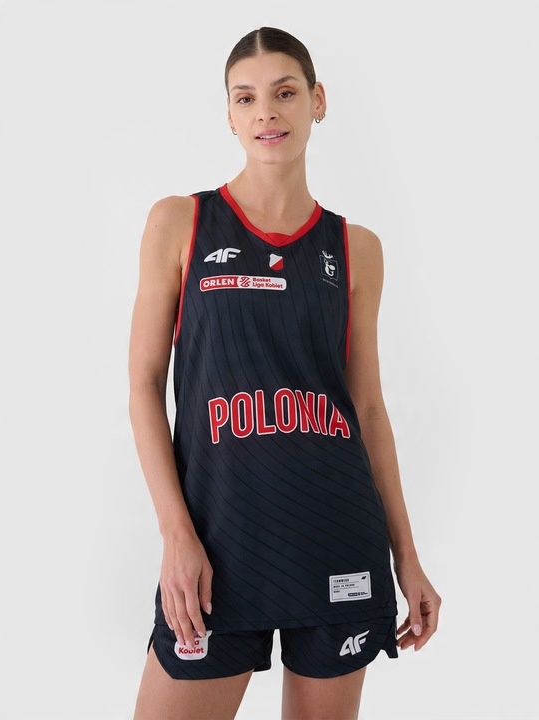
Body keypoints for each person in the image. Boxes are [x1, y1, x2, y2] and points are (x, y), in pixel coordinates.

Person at [128, 26, 441, 720]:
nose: (266, 112)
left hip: (336, 535)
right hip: (218, 545)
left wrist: (407, 557)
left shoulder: (356, 248)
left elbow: (367, 409)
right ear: (229, 115)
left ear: (317, 101)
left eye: (285, 92)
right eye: (246, 97)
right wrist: (176, 535)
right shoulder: (181, 222)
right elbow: (144, 386)